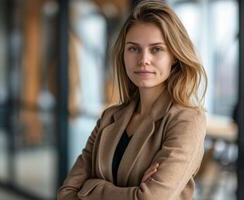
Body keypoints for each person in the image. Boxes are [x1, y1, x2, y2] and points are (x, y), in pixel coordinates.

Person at [58, 0, 207, 199]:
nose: (143, 59)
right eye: (133, 48)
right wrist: (133, 192)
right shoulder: (110, 117)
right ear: (123, 55)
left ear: (174, 57)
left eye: (156, 49)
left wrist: (92, 187)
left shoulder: (187, 120)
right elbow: (66, 193)